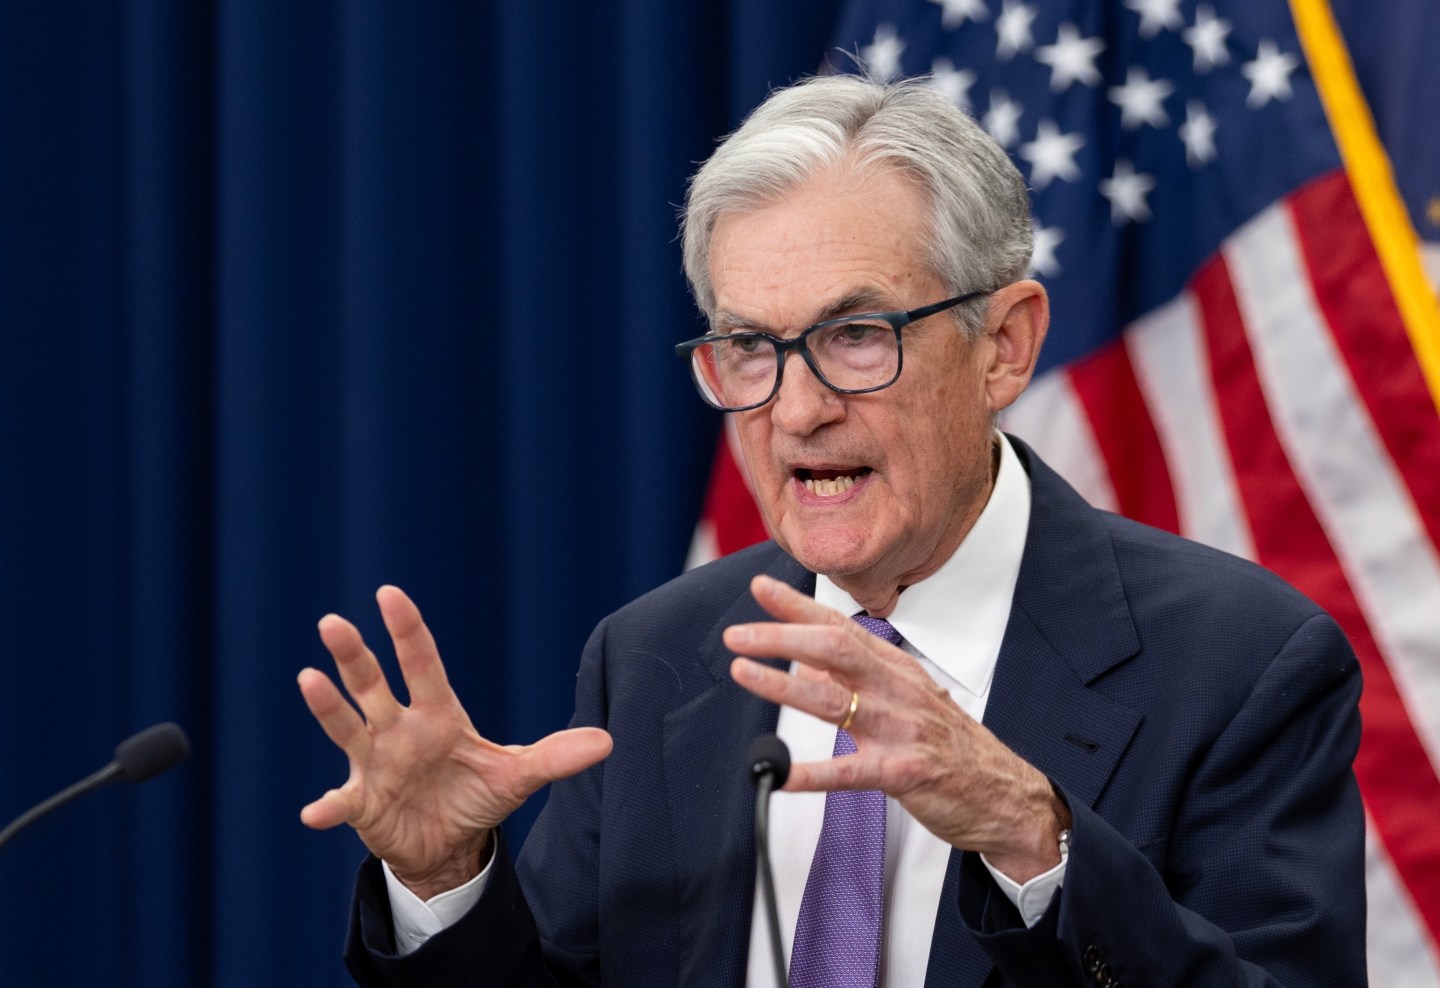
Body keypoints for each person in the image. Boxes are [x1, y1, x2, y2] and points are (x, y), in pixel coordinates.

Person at [298, 73, 1365, 986]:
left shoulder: (1243, 664)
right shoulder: (656, 657)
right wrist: (444, 884)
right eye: (750, 348)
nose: (797, 409)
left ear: (1003, 345)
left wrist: (1033, 836)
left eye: (856, 335)